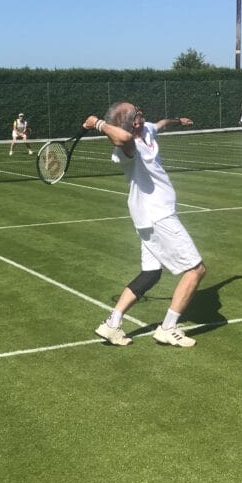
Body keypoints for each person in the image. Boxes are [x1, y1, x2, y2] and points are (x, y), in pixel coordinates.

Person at [85, 102, 206, 348]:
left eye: (137, 115)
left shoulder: (148, 128)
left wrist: (176, 121)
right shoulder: (125, 148)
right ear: (123, 125)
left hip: (149, 217)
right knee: (195, 270)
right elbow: (124, 137)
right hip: (157, 216)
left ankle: (112, 323)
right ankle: (168, 328)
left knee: (151, 273)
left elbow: (159, 124)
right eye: (131, 119)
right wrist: (97, 123)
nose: (137, 121)